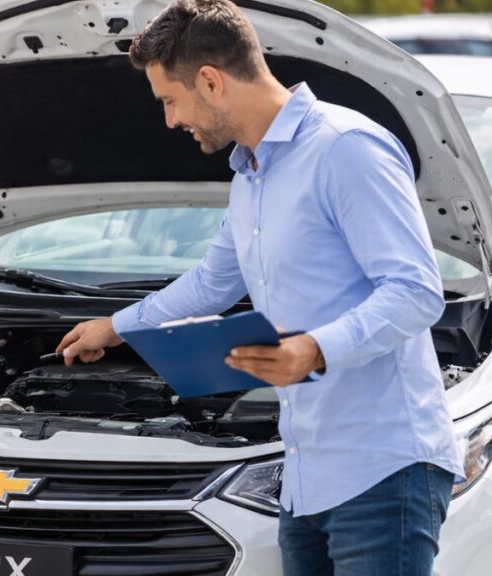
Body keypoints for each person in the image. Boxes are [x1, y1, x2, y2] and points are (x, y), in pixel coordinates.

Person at [56, 0, 463, 574]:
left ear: (210, 81)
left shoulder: (345, 148)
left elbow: (416, 290)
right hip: (304, 476)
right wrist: (115, 327)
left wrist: (314, 349)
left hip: (382, 471)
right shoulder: (251, 174)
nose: (170, 121)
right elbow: (211, 283)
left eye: (169, 100)